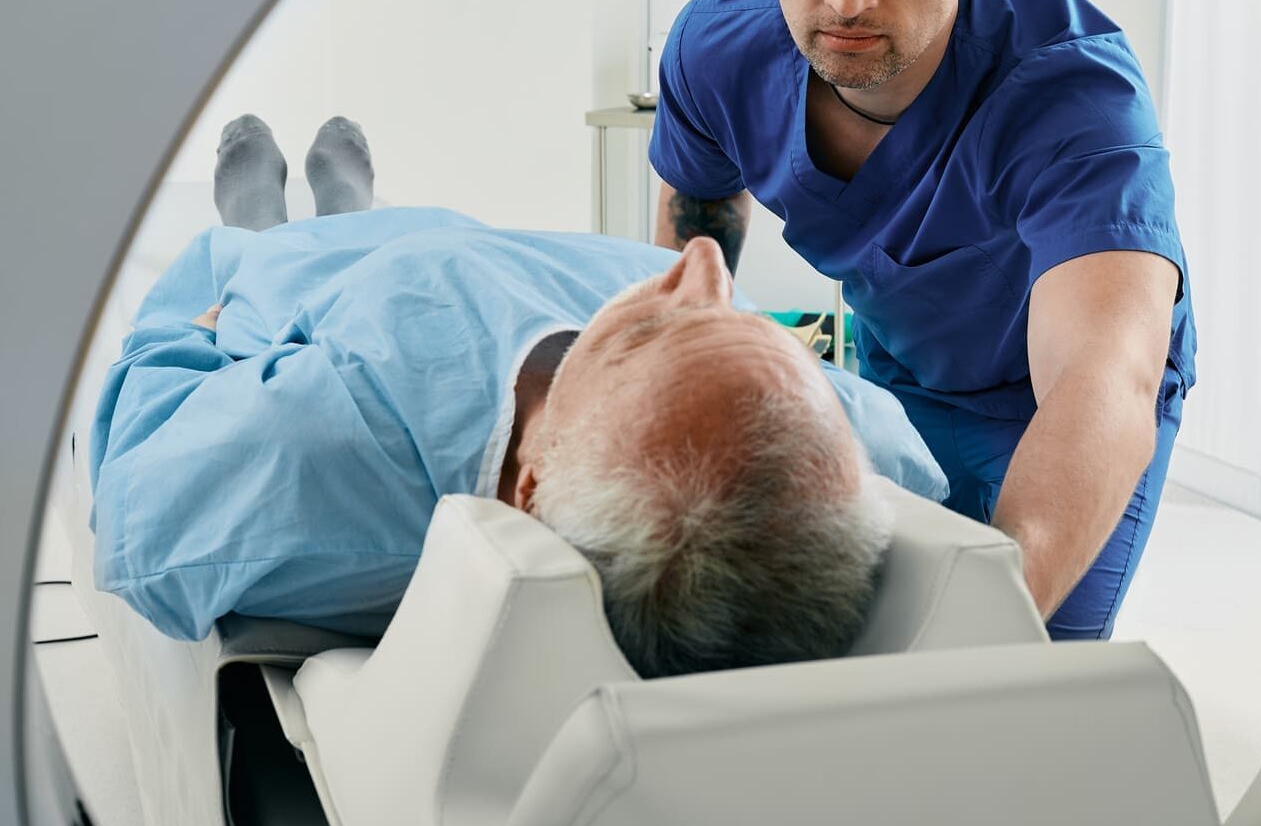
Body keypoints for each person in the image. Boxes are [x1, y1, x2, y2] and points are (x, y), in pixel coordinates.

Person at [650, 0, 1193, 641]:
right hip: (900, 370)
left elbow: (1104, 376)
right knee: (825, 626)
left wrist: (981, 638)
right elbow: (695, 232)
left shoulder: (1074, 99)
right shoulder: (718, 45)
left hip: (1054, 402)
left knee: (1010, 664)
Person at [89, 114, 948, 678]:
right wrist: (691, 339)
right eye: (736, 322)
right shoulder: (863, 448)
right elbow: (904, 457)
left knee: (265, 257)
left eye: (651, 336)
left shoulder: (321, 455)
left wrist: (192, 333)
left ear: (530, 487)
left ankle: (256, 223)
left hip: (323, 300)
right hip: (490, 253)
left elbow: (137, 500)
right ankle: (354, 203)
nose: (704, 263)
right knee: (395, 221)